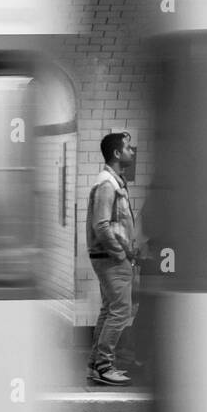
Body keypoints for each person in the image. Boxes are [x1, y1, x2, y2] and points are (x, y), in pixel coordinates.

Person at [86, 131, 139, 386]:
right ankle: (104, 366)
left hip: (107, 257)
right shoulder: (107, 184)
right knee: (120, 311)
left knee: (109, 310)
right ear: (117, 153)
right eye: (128, 148)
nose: (132, 152)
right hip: (110, 258)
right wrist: (120, 253)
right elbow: (102, 225)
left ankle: (97, 364)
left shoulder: (112, 181)